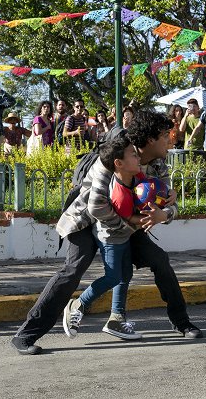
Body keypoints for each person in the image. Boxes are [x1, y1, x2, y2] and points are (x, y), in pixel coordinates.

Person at [11, 110, 202, 356]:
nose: (171, 140)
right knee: (73, 269)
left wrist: (163, 214)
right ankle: (26, 334)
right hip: (85, 221)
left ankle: (182, 322)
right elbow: (96, 206)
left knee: (159, 260)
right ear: (151, 139)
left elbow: (170, 205)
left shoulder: (157, 165)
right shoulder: (115, 154)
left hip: (123, 225)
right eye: (166, 135)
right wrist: (132, 222)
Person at [62, 137, 145, 340]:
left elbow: (152, 187)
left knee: (125, 274)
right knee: (113, 277)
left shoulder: (133, 176)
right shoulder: (118, 194)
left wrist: (169, 193)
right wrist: (143, 219)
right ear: (119, 163)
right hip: (111, 237)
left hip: (122, 235)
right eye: (133, 155)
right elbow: (123, 215)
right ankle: (77, 304)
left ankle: (116, 319)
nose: (138, 157)